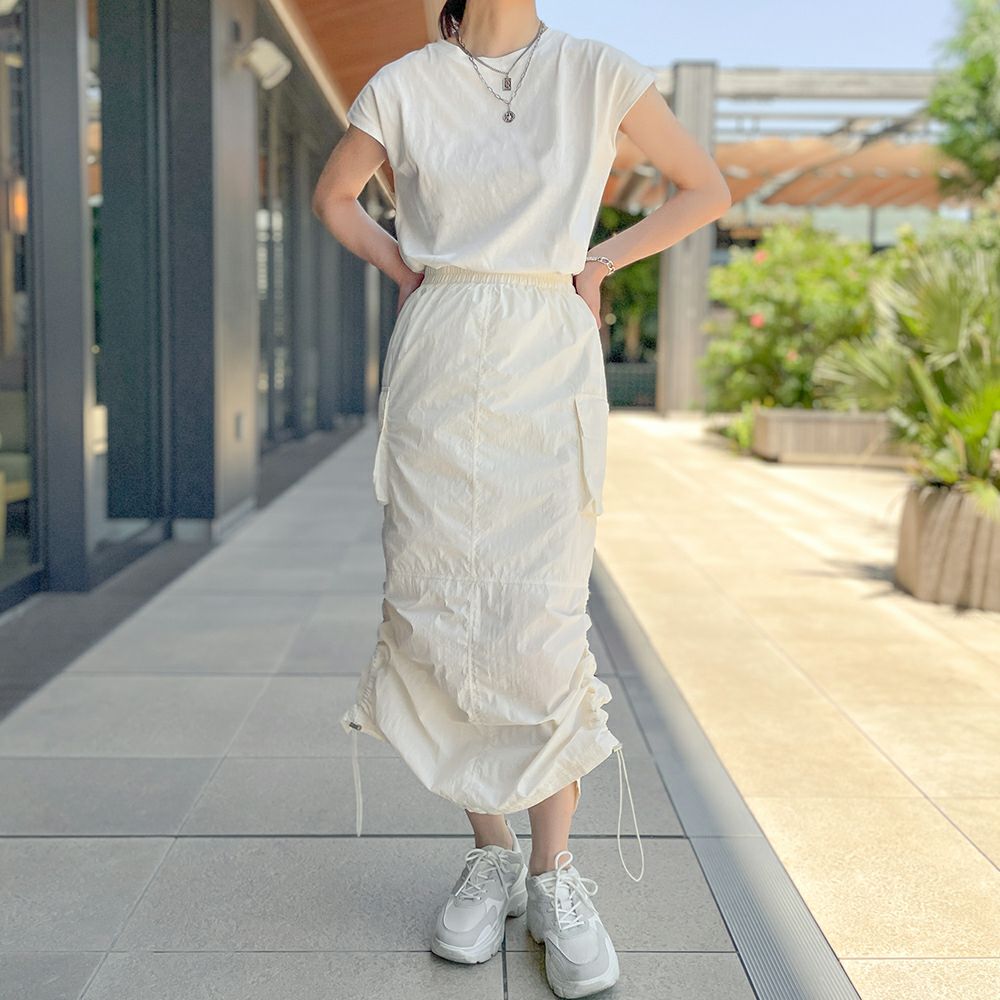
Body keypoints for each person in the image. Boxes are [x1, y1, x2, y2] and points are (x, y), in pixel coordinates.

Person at [312, 2, 730, 996]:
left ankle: (554, 873)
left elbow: (705, 189)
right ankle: (492, 853)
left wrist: (598, 260)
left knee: (540, 618)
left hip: (548, 341)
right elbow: (334, 197)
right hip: (444, 344)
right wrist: (404, 268)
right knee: (443, 609)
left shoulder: (596, 69)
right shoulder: (407, 82)